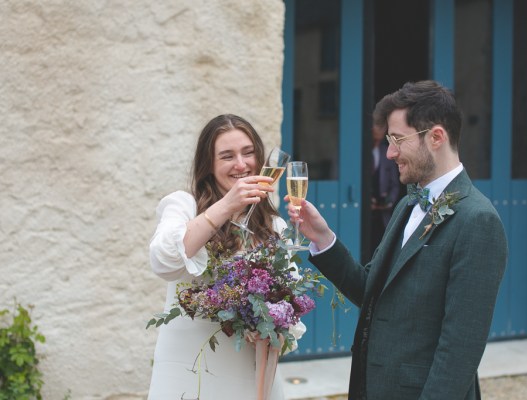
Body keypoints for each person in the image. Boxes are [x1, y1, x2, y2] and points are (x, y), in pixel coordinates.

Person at [287, 80, 508, 400]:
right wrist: (323, 238)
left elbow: (459, 351)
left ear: (436, 137)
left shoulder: (479, 221)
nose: (390, 153)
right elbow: (371, 290)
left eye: (397, 140)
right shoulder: (407, 204)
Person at [148, 114, 297, 399]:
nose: (241, 165)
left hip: (251, 373)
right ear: (209, 164)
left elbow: (288, 297)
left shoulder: (272, 225)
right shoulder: (183, 206)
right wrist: (227, 205)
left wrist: (274, 326)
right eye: (227, 156)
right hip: (193, 370)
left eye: (248, 152)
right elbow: (164, 262)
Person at [370, 122, 402, 255]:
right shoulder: (358, 151)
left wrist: (388, 202)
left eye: (379, 138)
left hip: (382, 214)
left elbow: (395, 183)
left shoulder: (386, 152)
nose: (376, 142)